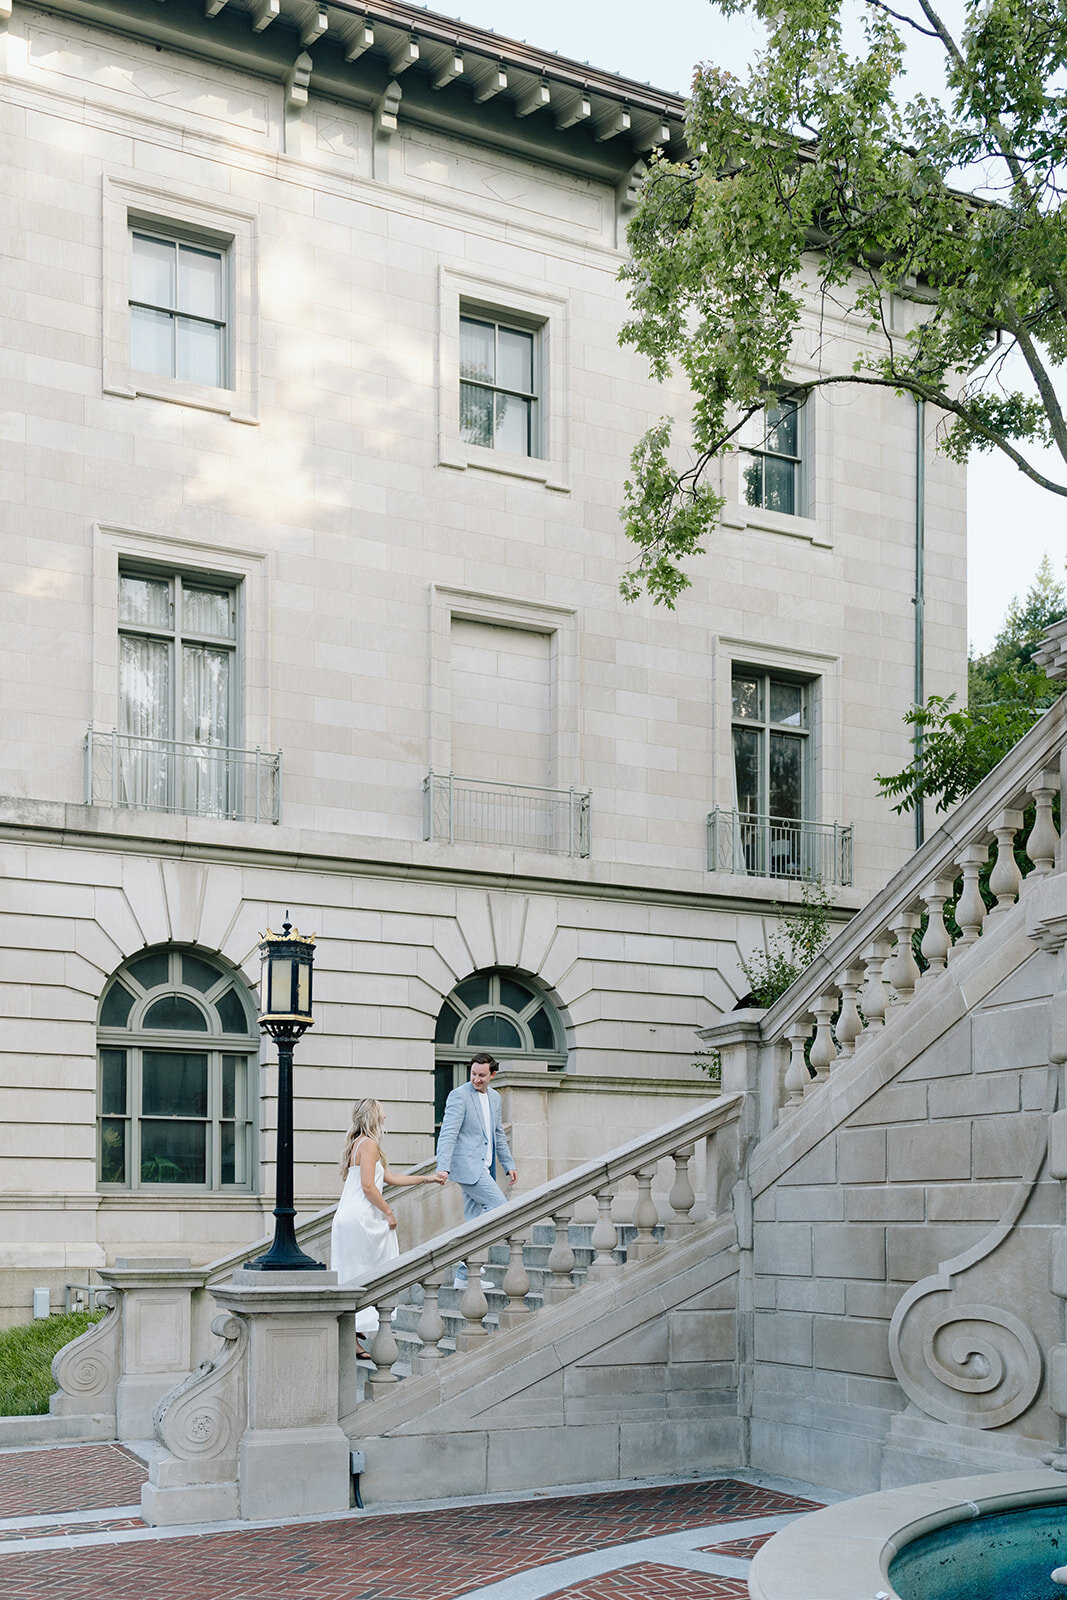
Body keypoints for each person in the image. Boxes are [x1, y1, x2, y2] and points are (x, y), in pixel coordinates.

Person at [331, 1098, 445, 1361]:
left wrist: (427, 1177)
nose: (386, 1117)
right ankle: (353, 1330)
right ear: (373, 1116)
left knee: (353, 1274)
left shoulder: (358, 1144)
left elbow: (389, 1178)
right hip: (361, 1218)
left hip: (348, 1218)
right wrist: (389, 1212)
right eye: (382, 1113)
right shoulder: (369, 1144)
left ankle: (353, 1329)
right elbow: (370, 1187)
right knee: (371, 1271)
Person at [435, 1053, 517, 1286]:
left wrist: (509, 1164)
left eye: (482, 1075)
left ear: (492, 1074)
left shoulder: (494, 1097)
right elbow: (448, 1133)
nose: (476, 1079)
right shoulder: (459, 1096)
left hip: (487, 1165)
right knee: (499, 1207)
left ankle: (465, 1276)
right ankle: (464, 1260)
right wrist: (443, 1166)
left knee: (474, 1219)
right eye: (473, 1074)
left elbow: (498, 1134)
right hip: (468, 1166)